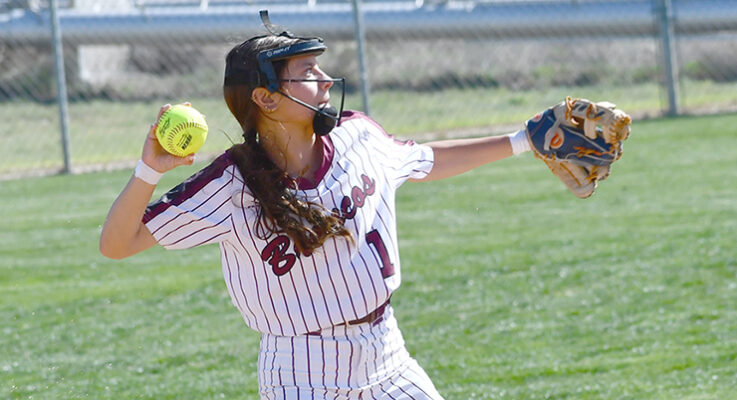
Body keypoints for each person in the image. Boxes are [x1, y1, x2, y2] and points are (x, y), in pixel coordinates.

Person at [99, 13, 532, 400]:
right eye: (307, 71)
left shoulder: (357, 136)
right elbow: (118, 244)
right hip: (302, 371)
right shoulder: (229, 185)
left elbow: (425, 160)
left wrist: (524, 141)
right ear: (265, 99)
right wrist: (148, 169)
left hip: (388, 355)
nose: (325, 79)